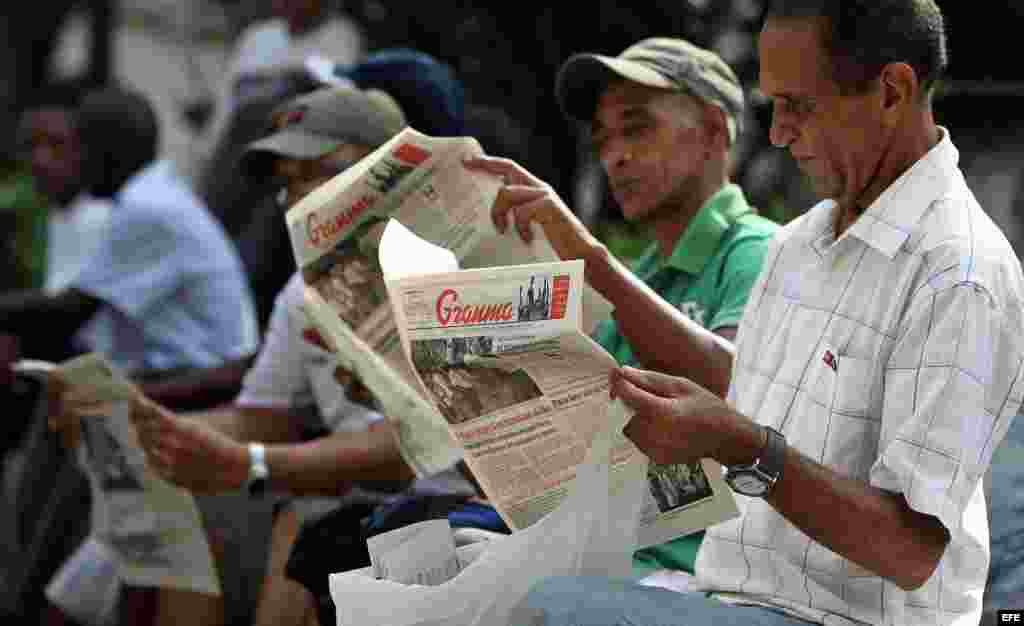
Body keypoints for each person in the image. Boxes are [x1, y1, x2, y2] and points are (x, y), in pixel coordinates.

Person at [507, 2, 1024, 625]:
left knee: (537, 609)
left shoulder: (959, 274)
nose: (777, 134)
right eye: (770, 105)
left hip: (841, 618)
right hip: (727, 593)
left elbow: (910, 551)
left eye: (798, 105)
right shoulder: (799, 243)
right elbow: (740, 417)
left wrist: (738, 443)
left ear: (891, 91)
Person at [126, 86, 478, 626]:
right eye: (287, 183)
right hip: (352, 493)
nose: (297, 197)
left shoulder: (442, 271)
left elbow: (416, 452)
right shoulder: (305, 291)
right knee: (182, 494)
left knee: (308, 521)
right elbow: (260, 418)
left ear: (388, 172)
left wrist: (257, 464)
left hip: (449, 507)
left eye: (317, 171)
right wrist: (150, 431)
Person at [465, 36, 778, 576]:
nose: (615, 156)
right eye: (603, 139)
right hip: (605, 548)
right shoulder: (642, 276)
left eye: (637, 127)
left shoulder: (760, 251)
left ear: (711, 131)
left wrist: (590, 260)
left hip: (698, 571)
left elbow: (736, 395)